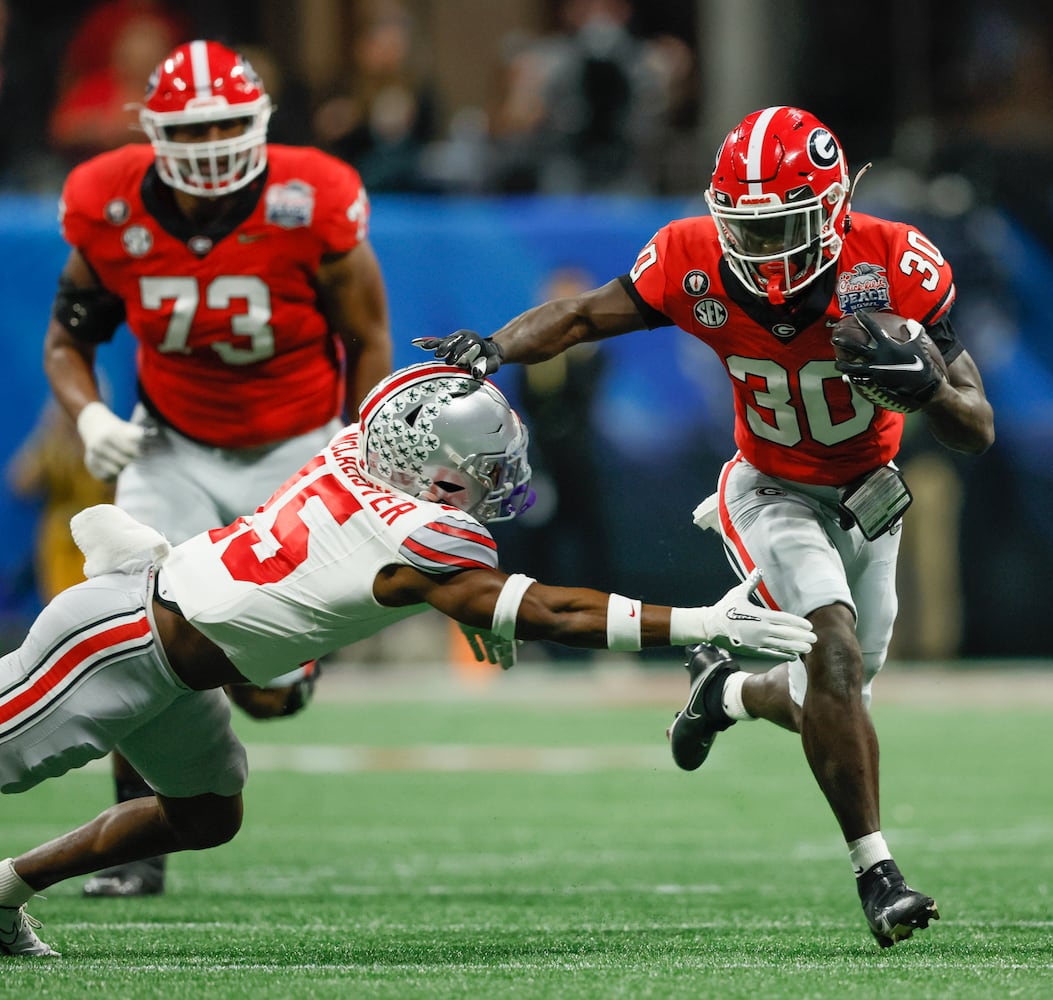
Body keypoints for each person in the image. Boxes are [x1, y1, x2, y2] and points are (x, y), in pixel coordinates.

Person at [417, 105, 997, 947]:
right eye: (746, 230)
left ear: (832, 212)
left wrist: (928, 388)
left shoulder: (894, 261)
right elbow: (580, 316)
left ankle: (724, 690)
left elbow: (975, 428)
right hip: (768, 487)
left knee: (837, 698)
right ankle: (878, 875)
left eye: (783, 229)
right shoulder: (692, 258)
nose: (760, 252)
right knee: (831, 653)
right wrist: (495, 350)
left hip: (870, 492)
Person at [0, 362, 815, 958]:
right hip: (122, 641)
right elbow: (551, 611)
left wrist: (478, 601)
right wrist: (704, 620)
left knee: (206, 811)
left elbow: (463, 560)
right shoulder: (421, 533)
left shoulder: (358, 447)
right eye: (479, 472)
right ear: (428, 468)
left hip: (179, 658)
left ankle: (8, 888)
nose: (495, 483)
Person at [42, 39, 394, 897]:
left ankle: (285, 672)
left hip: (299, 448)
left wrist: (365, 445)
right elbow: (68, 339)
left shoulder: (314, 196)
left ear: (263, 122)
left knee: (265, 690)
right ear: (153, 132)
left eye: (232, 122)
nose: (213, 143)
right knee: (132, 634)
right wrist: (89, 414)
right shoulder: (106, 201)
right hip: (173, 443)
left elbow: (369, 334)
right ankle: (135, 849)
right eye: (195, 128)